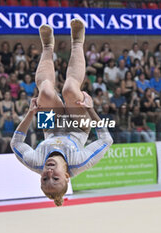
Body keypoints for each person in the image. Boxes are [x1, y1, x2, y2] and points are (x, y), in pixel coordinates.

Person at [10, 20, 113, 206]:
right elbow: (106, 140)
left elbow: (16, 142)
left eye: (44, 180)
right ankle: (77, 42)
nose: (49, 175)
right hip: (78, 127)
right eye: (55, 180)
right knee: (70, 90)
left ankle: (48, 46)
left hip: (51, 126)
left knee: (46, 92)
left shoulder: (35, 162)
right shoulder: (79, 162)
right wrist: (90, 109)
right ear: (67, 176)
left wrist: (31, 113)